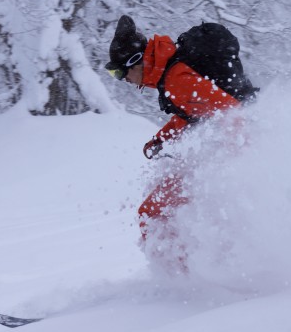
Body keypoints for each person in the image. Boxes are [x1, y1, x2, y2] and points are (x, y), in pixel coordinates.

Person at [105, 15, 254, 273]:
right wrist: (162, 138)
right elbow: (194, 112)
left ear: (136, 62)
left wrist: (235, 160)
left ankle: (185, 281)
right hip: (219, 155)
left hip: (227, 157)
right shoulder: (172, 75)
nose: (122, 79)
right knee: (158, 212)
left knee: (153, 213)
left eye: (119, 72)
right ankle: (191, 274)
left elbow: (231, 110)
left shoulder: (177, 80)